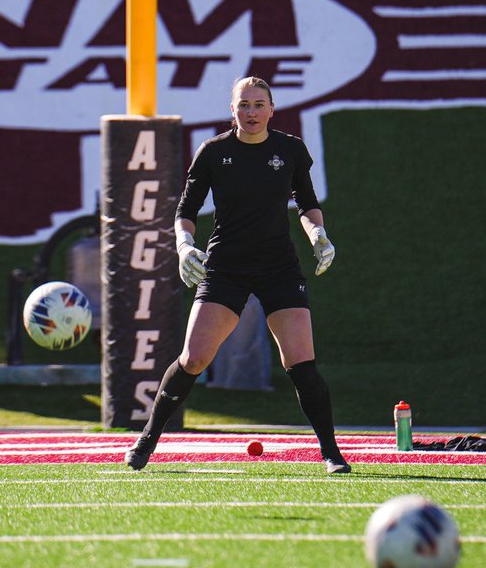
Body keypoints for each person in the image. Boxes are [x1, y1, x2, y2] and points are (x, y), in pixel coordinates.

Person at [125, 76, 350, 475]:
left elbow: (307, 203)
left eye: (258, 104)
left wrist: (319, 234)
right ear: (232, 110)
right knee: (194, 358)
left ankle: (331, 452)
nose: (251, 112)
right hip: (226, 265)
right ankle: (148, 438)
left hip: (278, 265)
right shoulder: (214, 152)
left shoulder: (290, 149)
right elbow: (186, 211)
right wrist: (183, 246)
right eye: (243, 105)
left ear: (272, 109)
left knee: (301, 362)